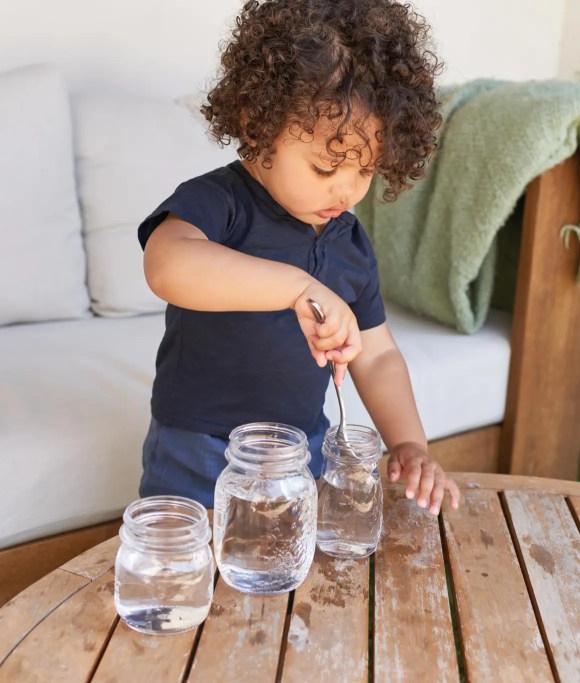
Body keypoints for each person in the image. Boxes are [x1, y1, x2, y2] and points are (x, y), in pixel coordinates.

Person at [137, 0, 460, 515]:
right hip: (197, 450)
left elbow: (375, 355)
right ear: (256, 126)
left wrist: (409, 443)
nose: (348, 192)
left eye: (365, 170)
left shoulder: (348, 242)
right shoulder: (221, 204)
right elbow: (167, 265)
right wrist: (296, 287)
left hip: (300, 453)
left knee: (288, 583)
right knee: (193, 582)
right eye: (324, 168)